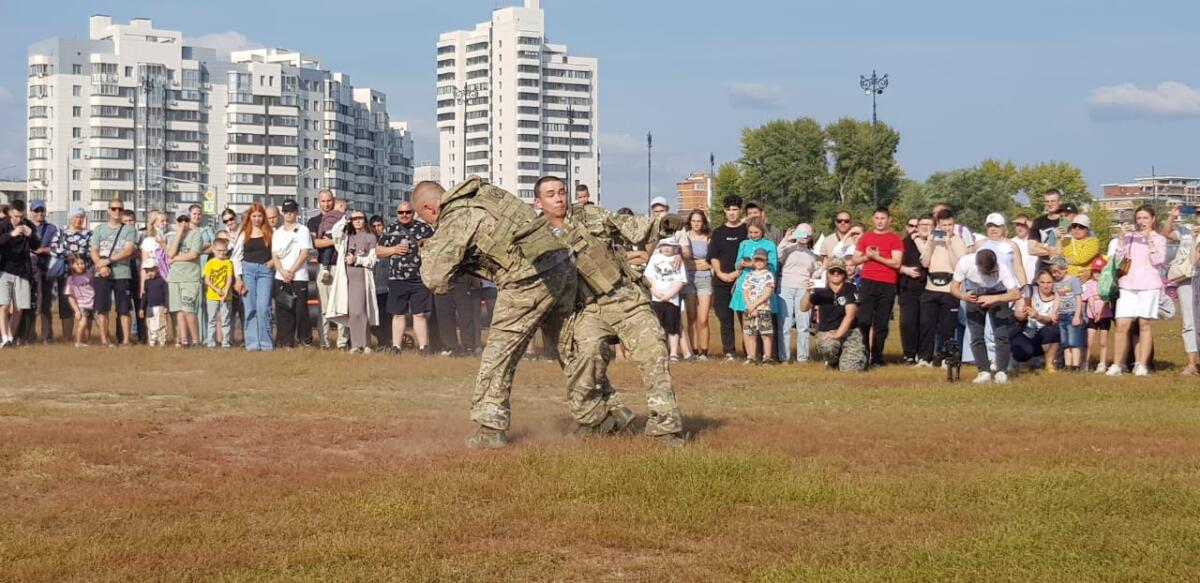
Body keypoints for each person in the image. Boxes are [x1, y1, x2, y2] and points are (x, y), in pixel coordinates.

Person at [416, 177, 578, 449]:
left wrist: (431, 250)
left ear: (431, 209)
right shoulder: (485, 195)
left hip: (527, 277)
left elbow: (435, 279)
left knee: (498, 354)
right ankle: (602, 412)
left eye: (427, 220)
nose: (432, 225)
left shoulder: (456, 216)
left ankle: (490, 427)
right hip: (559, 264)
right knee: (568, 346)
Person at [537, 176, 686, 446]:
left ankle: (665, 428)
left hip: (624, 298)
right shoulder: (535, 236)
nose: (559, 198)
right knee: (585, 358)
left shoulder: (590, 215)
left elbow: (630, 225)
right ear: (539, 202)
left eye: (561, 192)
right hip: (587, 310)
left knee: (654, 352)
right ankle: (594, 420)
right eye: (550, 194)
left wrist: (660, 224)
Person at [1107, 205, 1167, 377]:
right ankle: (1117, 364)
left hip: (1149, 285)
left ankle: (1141, 364)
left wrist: (1149, 239)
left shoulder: (1159, 239)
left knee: (1144, 324)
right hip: (1128, 284)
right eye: (1139, 218)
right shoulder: (1130, 238)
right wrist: (1121, 239)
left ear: (1153, 219)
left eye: (1145, 218)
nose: (1141, 222)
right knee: (1122, 324)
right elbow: (1118, 259)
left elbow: (1158, 260)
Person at [951, 249, 1021, 384]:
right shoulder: (965, 262)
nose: (989, 274)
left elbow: (1016, 294)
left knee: (1001, 335)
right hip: (973, 295)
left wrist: (993, 299)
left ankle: (1001, 371)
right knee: (976, 335)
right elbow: (953, 287)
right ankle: (983, 371)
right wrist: (963, 296)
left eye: (991, 271)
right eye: (986, 272)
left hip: (999, 295)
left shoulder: (1002, 268)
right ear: (977, 265)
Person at [377, 201, 434, 354]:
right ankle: (396, 347)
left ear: (413, 213)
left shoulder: (424, 228)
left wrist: (425, 246)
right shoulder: (390, 229)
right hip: (397, 278)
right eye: (401, 213)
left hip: (419, 278)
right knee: (397, 314)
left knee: (420, 314)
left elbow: (436, 247)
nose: (404, 215)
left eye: (407, 212)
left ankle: (424, 347)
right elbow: (378, 250)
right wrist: (393, 249)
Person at [851, 207, 904, 366]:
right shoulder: (866, 237)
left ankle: (877, 355)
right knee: (864, 320)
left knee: (881, 323)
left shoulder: (895, 239)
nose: (880, 221)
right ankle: (864, 352)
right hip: (868, 281)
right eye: (877, 218)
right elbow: (855, 259)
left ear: (889, 220)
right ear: (873, 219)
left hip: (887, 283)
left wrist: (877, 257)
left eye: (883, 218)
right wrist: (868, 256)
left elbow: (896, 262)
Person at [325, 210, 379, 353]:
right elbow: (335, 232)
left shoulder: (371, 237)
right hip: (346, 277)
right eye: (354, 219)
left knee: (361, 311)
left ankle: (366, 344)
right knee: (352, 312)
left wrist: (357, 260)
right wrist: (345, 218)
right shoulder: (346, 238)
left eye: (360, 218)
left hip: (362, 276)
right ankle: (355, 344)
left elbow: (373, 260)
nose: (357, 221)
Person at [90, 198, 138, 347]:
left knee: (124, 309)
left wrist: (108, 261)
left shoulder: (129, 229)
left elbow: (128, 250)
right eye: (114, 208)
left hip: (122, 273)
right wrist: (99, 264)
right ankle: (105, 340)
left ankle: (126, 340)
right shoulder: (99, 229)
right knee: (102, 308)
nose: (117, 211)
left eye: (120, 209)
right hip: (102, 274)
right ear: (108, 210)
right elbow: (93, 250)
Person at [728, 218, 778, 361]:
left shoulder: (769, 244)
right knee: (747, 322)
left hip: (762, 286)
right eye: (750, 232)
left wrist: (754, 264)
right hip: (746, 284)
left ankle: (767, 355)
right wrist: (742, 263)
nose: (753, 235)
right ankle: (750, 354)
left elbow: (773, 265)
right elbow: (736, 263)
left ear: (762, 231)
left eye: (756, 232)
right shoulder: (744, 243)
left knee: (764, 324)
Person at [801, 258, 864, 371]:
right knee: (829, 346)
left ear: (844, 274)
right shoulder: (820, 290)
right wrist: (807, 292)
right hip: (827, 331)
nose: (835, 273)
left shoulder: (850, 288)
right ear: (828, 274)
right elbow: (804, 308)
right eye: (832, 271)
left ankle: (854, 357)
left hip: (850, 332)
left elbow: (850, 315)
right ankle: (832, 361)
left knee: (850, 369)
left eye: (839, 271)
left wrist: (837, 335)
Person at [708, 195, 748, 360]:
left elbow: (749, 256)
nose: (732, 213)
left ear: (740, 210)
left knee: (745, 319)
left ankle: (750, 352)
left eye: (735, 209)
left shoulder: (747, 231)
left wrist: (737, 273)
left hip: (742, 280)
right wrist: (721, 274)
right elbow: (713, 257)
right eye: (729, 209)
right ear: (724, 211)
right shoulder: (718, 232)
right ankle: (729, 352)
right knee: (725, 318)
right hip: (721, 282)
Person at [232, 203, 275, 352]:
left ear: (264, 217)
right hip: (248, 271)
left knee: (263, 307)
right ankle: (252, 344)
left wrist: (273, 261)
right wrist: (238, 278)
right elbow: (236, 257)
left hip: (265, 271)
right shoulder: (244, 234)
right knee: (250, 307)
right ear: (249, 217)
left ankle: (266, 343)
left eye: (260, 216)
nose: (257, 219)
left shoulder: (271, 233)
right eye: (254, 216)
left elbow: (279, 252)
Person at [306, 189, 347, 348]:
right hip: (323, 266)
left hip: (341, 265)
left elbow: (347, 239)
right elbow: (315, 243)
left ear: (333, 200)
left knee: (342, 305)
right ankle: (324, 341)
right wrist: (333, 242)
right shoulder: (313, 221)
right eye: (323, 201)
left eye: (329, 200)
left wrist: (328, 241)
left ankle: (342, 342)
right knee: (323, 306)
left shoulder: (342, 218)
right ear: (318, 202)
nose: (326, 204)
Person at [1162, 205, 1199, 376]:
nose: (1199, 216)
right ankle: (1192, 363)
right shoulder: (1186, 230)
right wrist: (1172, 216)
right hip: (1186, 278)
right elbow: (1166, 234)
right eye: (1197, 212)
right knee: (1189, 322)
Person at [776, 222, 820, 363]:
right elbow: (776, 256)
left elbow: (815, 274)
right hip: (785, 288)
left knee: (803, 325)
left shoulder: (812, 255)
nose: (803, 237)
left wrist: (824, 267)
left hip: (803, 289)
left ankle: (803, 357)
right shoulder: (788, 249)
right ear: (796, 234)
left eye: (807, 234)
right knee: (785, 325)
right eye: (801, 233)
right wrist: (786, 239)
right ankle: (784, 357)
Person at [271, 200, 312, 348]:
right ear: (282, 213)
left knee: (301, 310)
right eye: (286, 211)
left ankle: (304, 339)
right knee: (283, 310)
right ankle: (285, 340)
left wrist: (291, 271)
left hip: (299, 276)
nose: (289, 214)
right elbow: (275, 255)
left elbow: (304, 252)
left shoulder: (303, 230)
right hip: (281, 277)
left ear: (297, 212)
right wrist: (282, 272)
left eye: (292, 211)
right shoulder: (278, 233)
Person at [50, 208, 92, 340]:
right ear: (70, 218)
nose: (78, 220)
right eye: (76, 217)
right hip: (66, 275)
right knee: (66, 305)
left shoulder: (89, 234)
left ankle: (85, 338)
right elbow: (53, 249)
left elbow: (92, 251)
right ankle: (67, 337)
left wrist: (80, 260)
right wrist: (70, 257)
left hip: (85, 276)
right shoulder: (61, 233)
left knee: (86, 304)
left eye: (81, 217)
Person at [646, 238, 688, 361]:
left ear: (675, 248)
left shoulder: (677, 260)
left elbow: (681, 280)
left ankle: (673, 353)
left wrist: (669, 295)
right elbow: (648, 277)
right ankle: (660, 352)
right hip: (656, 298)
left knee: (673, 327)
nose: (666, 248)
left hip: (672, 300)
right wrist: (655, 291)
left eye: (670, 246)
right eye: (664, 245)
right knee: (657, 327)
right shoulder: (655, 259)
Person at [0, 200, 35, 347]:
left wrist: (31, 235)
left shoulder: (29, 225)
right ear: (10, 213)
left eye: (21, 216)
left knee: (19, 309)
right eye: (15, 216)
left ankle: (11, 339)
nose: (18, 219)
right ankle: (5, 338)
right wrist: (11, 234)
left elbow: (37, 246)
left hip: (23, 272)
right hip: (4, 270)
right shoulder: (2, 226)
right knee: (4, 306)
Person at [166, 209, 203, 347]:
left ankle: (196, 340)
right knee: (178, 311)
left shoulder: (196, 235)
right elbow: (170, 253)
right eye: (180, 220)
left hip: (190, 278)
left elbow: (193, 254)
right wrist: (179, 234)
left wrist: (175, 259)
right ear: (175, 222)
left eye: (186, 220)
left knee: (189, 310)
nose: (183, 223)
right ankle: (184, 339)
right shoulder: (172, 237)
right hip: (174, 278)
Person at [897, 215, 930, 364]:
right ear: (906, 227)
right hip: (908, 287)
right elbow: (893, 262)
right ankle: (909, 354)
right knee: (908, 322)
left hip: (928, 286)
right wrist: (904, 269)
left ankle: (924, 355)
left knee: (925, 322)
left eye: (918, 226)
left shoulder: (932, 242)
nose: (915, 229)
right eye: (911, 226)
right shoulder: (903, 243)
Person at [680, 209, 713, 360]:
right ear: (689, 222)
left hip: (705, 280)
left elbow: (710, 263)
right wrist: (699, 263)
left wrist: (695, 264)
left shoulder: (708, 238)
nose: (696, 224)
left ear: (703, 222)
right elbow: (685, 263)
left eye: (699, 221)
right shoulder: (684, 237)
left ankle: (704, 352)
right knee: (691, 317)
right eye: (693, 221)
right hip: (688, 280)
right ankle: (693, 351)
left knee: (703, 318)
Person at [1012, 269, 1061, 370]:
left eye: (1049, 282)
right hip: (1024, 332)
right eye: (1042, 282)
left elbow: (1051, 319)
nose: (1045, 285)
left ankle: (1049, 363)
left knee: (1053, 331)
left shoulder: (1058, 297)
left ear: (1054, 283)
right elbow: (1017, 314)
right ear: (1037, 281)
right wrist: (1022, 314)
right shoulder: (1028, 291)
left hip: (1043, 334)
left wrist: (1037, 316)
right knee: (1022, 351)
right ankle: (1022, 361)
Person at [28, 199, 58, 343]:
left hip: (46, 270)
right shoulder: (25, 226)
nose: (40, 213)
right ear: (31, 212)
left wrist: (43, 250)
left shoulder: (52, 228)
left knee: (45, 302)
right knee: (31, 302)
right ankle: (30, 334)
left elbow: (58, 247)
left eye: (42, 210)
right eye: (37, 211)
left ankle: (46, 335)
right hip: (28, 270)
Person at [740, 248, 777, 365]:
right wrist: (750, 306)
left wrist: (755, 305)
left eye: (762, 260)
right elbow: (744, 291)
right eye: (757, 260)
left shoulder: (768, 275)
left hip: (763, 308)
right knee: (751, 334)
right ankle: (751, 356)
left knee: (766, 334)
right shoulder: (749, 275)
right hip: (749, 308)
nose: (759, 262)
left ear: (766, 261)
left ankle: (767, 357)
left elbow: (767, 292)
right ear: (753, 261)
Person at [1049, 256, 1084, 371]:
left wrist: (1077, 316)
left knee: (1074, 342)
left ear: (1065, 269)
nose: (1054, 275)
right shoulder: (1057, 283)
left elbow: (1079, 298)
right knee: (1065, 343)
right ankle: (1068, 366)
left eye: (1057, 272)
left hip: (1072, 314)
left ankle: (1076, 366)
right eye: (1053, 272)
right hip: (1062, 315)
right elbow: (1057, 298)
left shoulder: (1073, 281)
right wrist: (1054, 312)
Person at [1082, 257, 1113, 374]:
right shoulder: (1089, 284)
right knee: (1089, 341)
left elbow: (1106, 299)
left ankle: (1102, 363)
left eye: (1100, 271)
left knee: (1103, 341)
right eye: (1095, 271)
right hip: (1092, 316)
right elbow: (1089, 298)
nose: (1097, 274)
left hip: (1105, 316)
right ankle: (1085, 362)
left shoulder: (1107, 284)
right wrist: (1094, 311)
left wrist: (1100, 313)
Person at [202, 238, 234, 348]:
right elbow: (207, 280)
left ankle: (226, 342)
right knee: (211, 320)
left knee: (225, 320)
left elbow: (230, 278)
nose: (222, 253)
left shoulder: (228, 263)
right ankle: (210, 342)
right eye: (219, 250)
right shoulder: (210, 263)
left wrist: (225, 291)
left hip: (226, 296)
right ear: (214, 250)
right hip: (212, 296)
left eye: (224, 250)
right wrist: (216, 289)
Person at [369, 215, 391, 348]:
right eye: (374, 226)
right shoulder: (368, 241)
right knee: (374, 317)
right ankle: (381, 339)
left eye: (379, 225)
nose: (377, 229)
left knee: (385, 316)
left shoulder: (389, 241)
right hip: (372, 285)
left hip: (386, 285)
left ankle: (385, 341)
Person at [64, 254, 95, 347]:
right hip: (81, 304)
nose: (81, 266)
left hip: (92, 303)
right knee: (83, 322)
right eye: (78, 264)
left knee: (89, 323)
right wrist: (76, 310)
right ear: (72, 265)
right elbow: (70, 296)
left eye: (82, 263)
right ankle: (78, 341)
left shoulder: (90, 275)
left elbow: (95, 288)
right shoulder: (71, 279)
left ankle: (87, 339)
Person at [1058, 214, 1100, 280]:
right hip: (1066, 280)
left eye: (1081, 227)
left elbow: (1081, 258)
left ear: (1087, 229)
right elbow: (1058, 254)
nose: (1077, 229)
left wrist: (1062, 260)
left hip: (1086, 282)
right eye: (1074, 226)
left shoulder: (1093, 242)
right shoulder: (1066, 240)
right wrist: (1058, 238)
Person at [141, 263, 169, 347]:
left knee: (161, 323)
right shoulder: (146, 282)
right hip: (149, 307)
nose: (150, 273)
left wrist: (166, 306)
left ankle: (162, 341)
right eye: (148, 271)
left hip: (160, 306)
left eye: (152, 271)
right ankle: (152, 341)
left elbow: (166, 294)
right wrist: (141, 308)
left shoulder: (162, 281)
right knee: (150, 324)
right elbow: (144, 295)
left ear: (157, 269)